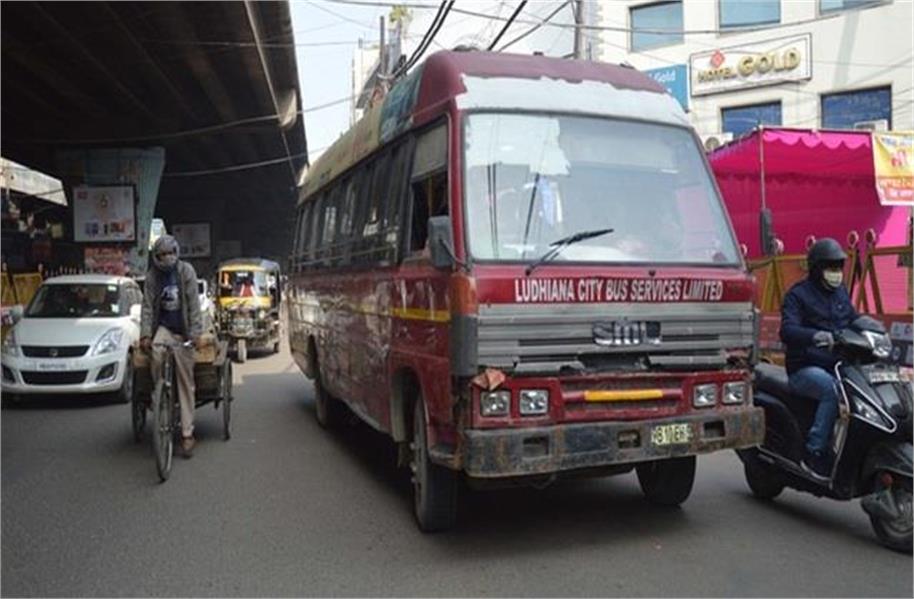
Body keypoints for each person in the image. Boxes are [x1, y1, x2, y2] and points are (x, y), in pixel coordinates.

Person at [780, 238, 859, 480]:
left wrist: (872, 329)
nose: (835, 273)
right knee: (832, 391)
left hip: (837, 364)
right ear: (816, 268)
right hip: (805, 368)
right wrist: (815, 336)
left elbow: (853, 318)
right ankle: (814, 452)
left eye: (838, 267)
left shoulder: (841, 293)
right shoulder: (798, 295)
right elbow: (787, 330)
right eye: (830, 267)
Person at [140, 235, 205, 457]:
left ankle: (187, 433)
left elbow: (194, 305)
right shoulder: (152, 277)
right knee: (156, 353)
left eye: (170, 253)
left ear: (176, 253)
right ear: (156, 257)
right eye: (162, 255)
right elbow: (147, 307)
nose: (166, 258)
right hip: (164, 329)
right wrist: (145, 335)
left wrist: (195, 333)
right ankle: (161, 394)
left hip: (184, 330)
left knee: (187, 382)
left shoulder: (186, 272)